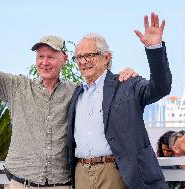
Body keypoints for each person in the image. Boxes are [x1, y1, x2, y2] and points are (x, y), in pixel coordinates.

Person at [0, 8, 137, 189]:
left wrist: (123, 75)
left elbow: (101, 85)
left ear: (64, 59)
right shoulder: (17, 87)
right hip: (20, 184)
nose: (44, 62)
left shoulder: (77, 91)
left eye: (51, 56)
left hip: (62, 185)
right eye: (40, 57)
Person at [67, 12, 172, 189]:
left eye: (89, 55)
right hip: (81, 173)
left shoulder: (127, 84)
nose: (83, 61)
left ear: (106, 57)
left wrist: (154, 49)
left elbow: (160, 87)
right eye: (78, 57)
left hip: (116, 173)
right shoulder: (76, 93)